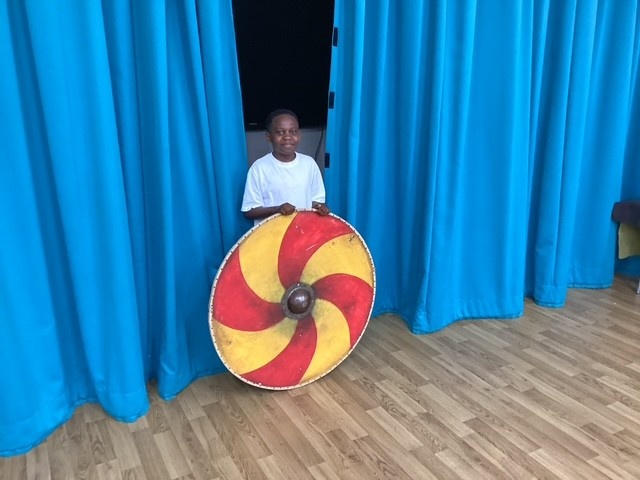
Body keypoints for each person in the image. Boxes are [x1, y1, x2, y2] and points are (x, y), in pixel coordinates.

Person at [241, 109, 330, 224]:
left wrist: (319, 207)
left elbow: (316, 200)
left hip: (303, 230)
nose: (287, 137)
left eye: (293, 131)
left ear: (299, 135)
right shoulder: (259, 168)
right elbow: (249, 211)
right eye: (280, 132)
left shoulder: (309, 164)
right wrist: (277, 209)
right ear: (269, 137)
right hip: (272, 232)